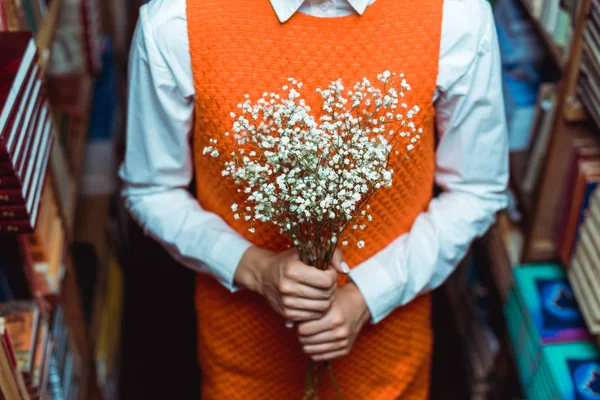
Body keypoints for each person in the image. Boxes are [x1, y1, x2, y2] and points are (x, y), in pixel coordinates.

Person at [119, 0, 509, 398]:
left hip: (387, 355)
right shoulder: (176, 21)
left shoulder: (455, 14)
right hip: (243, 354)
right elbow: (152, 189)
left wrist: (370, 294)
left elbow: (476, 189)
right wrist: (256, 269)